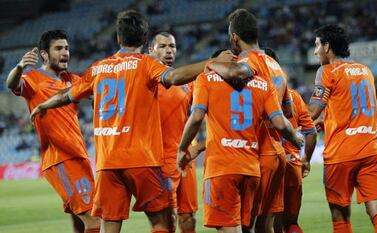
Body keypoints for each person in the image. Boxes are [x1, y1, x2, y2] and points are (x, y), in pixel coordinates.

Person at [30, 10, 234, 233]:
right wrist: (212, 62)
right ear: (146, 41)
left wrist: (44, 105)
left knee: (109, 224)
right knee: (162, 221)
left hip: (107, 163)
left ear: (118, 38)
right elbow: (175, 77)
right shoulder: (146, 64)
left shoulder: (98, 68)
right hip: (141, 158)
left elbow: (68, 94)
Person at [176, 48, 303, 233]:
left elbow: (196, 117)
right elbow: (281, 122)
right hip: (251, 169)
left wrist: (183, 148)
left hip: (221, 169)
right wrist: (295, 137)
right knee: (249, 229)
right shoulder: (263, 83)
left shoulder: (205, 79)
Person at [5, 30, 100, 233]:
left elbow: (97, 91)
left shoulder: (72, 79)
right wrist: (20, 67)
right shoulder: (33, 79)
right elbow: (11, 84)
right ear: (44, 54)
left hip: (79, 156)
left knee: (79, 220)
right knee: (94, 220)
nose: (65, 53)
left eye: (66, 48)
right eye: (58, 48)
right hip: (60, 159)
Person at [207, 9, 293, 233]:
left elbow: (236, 74)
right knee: (267, 225)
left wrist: (211, 63)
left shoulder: (246, 61)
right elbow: (288, 111)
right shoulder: (276, 65)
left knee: (248, 227)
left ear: (234, 37)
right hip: (277, 152)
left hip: (258, 152)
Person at [308, 24, 377, 233]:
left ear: (327, 46)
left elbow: (311, 112)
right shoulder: (366, 71)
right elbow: (350, 105)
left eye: (317, 45)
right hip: (370, 150)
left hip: (341, 154)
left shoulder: (326, 71)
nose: (315, 51)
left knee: (340, 217)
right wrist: (328, 121)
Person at [149, 31, 200, 233]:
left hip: (184, 158)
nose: (168, 50)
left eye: (172, 46)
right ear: (150, 50)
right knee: (166, 220)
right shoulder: (146, 82)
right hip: (160, 160)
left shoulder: (186, 83)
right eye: (162, 46)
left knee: (188, 218)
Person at [282, 89, 317, 233]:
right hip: (292, 164)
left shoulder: (255, 91)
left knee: (264, 222)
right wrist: (306, 160)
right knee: (291, 224)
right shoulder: (294, 96)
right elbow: (311, 132)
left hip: (266, 164)